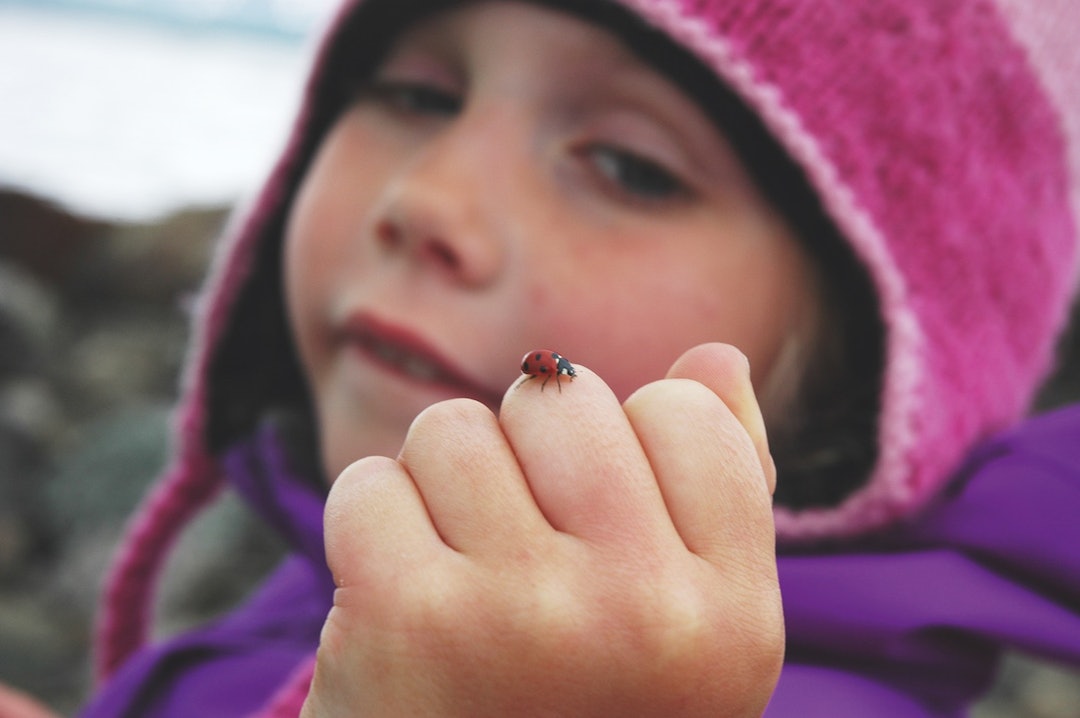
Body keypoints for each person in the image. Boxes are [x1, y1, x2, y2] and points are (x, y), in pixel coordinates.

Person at [25, 0, 1077, 715]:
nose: (427, 199)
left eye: (629, 166)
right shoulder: (302, 568)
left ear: (868, 376)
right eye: (420, 95)